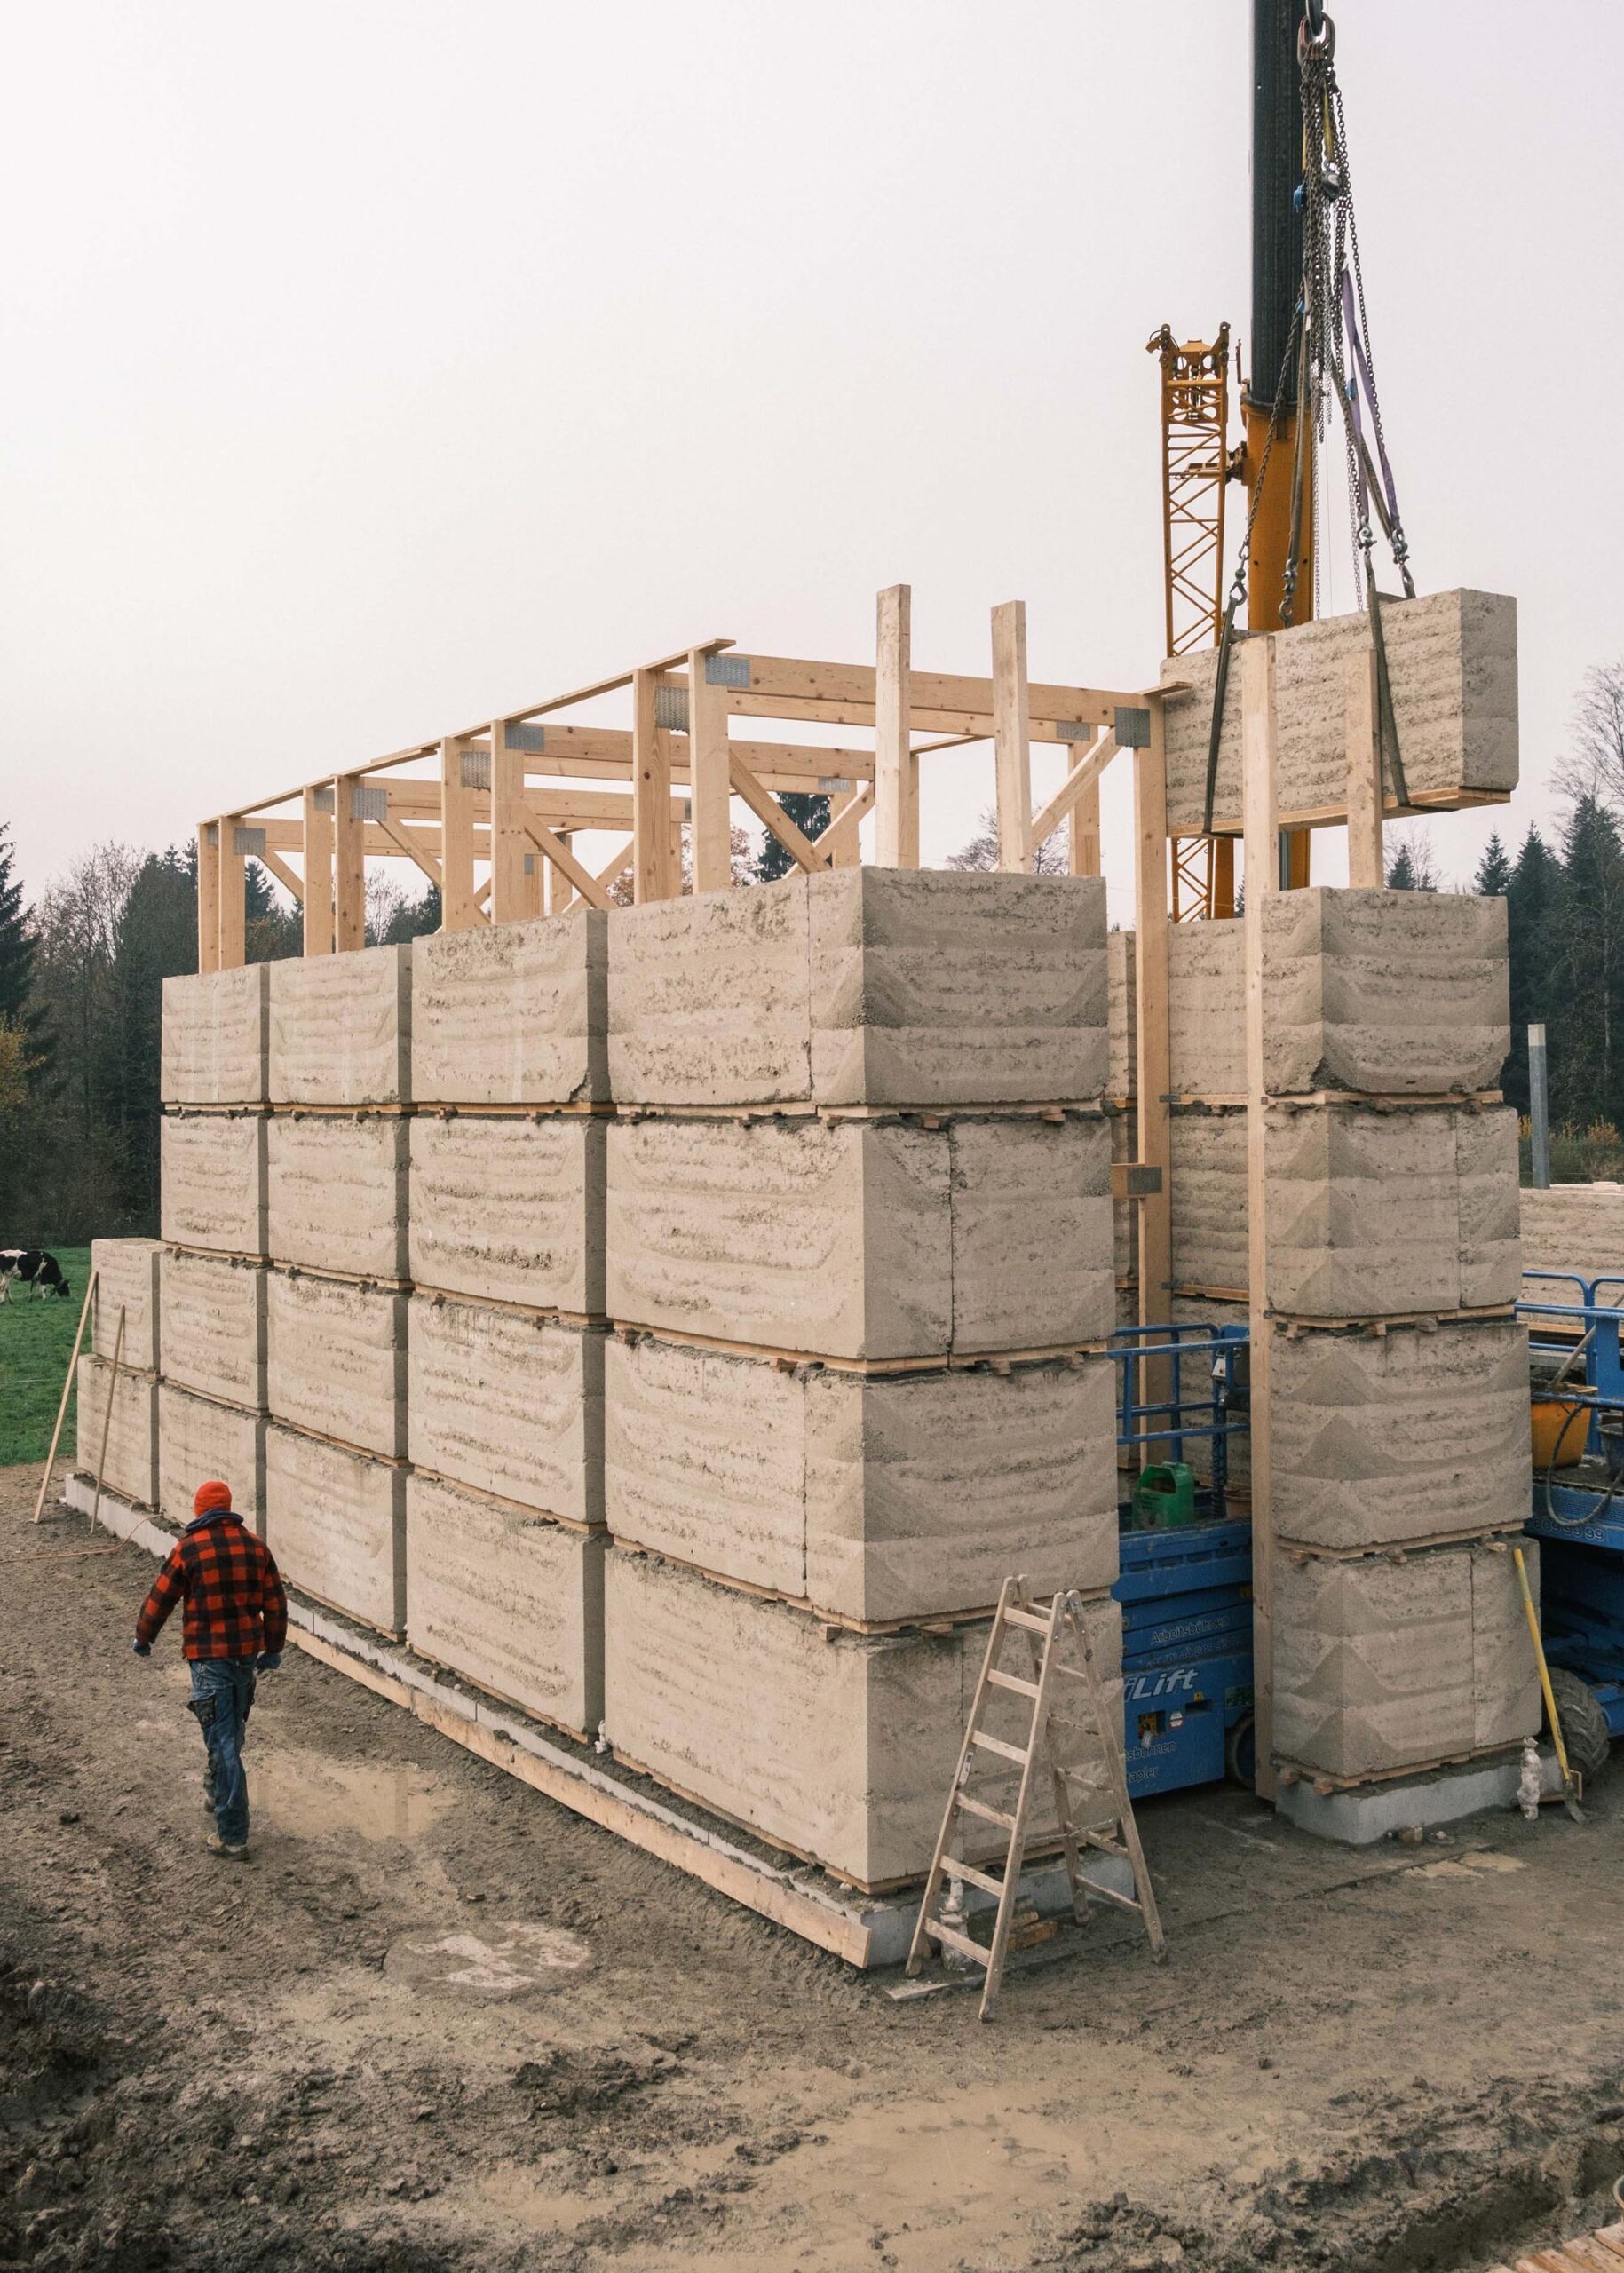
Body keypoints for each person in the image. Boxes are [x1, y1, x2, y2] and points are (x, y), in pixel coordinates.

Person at [132, 1480, 288, 1859]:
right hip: (245, 1658)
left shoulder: (189, 1549)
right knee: (230, 1731)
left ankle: (232, 1836)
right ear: (229, 1509)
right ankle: (216, 1790)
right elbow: (276, 1603)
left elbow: (160, 1598)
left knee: (222, 1741)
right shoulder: (256, 1547)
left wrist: (143, 1638)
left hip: (208, 1661)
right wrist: (273, 1649)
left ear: (199, 1510)